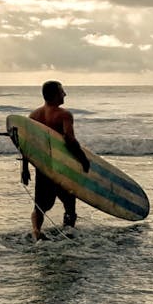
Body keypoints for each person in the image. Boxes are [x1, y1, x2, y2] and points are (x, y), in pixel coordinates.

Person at [22, 79, 90, 240]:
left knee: (39, 207)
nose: (64, 94)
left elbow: (26, 144)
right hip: (62, 168)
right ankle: (68, 235)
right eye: (62, 91)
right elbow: (69, 139)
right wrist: (83, 159)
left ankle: (36, 232)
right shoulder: (64, 114)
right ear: (54, 95)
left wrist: (24, 169)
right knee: (69, 206)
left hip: (43, 167)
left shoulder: (34, 115)